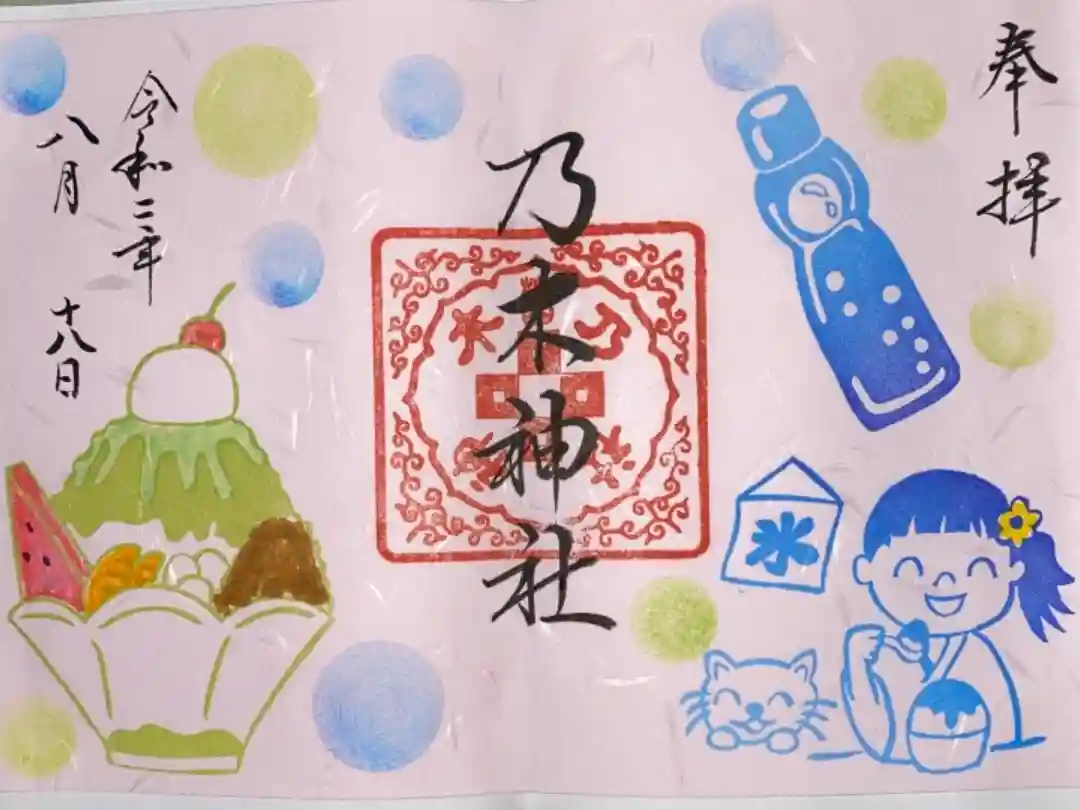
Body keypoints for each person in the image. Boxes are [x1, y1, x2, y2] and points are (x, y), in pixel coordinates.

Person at [842, 470, 1073, 765]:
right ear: (866, 570)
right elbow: (879, 741)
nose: (945, 583)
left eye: (976, 567)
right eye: (912, 568)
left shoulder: (978, 654)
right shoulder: (883, 652)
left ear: (1012, 570)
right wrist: (857, 666)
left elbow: (1001, 743)